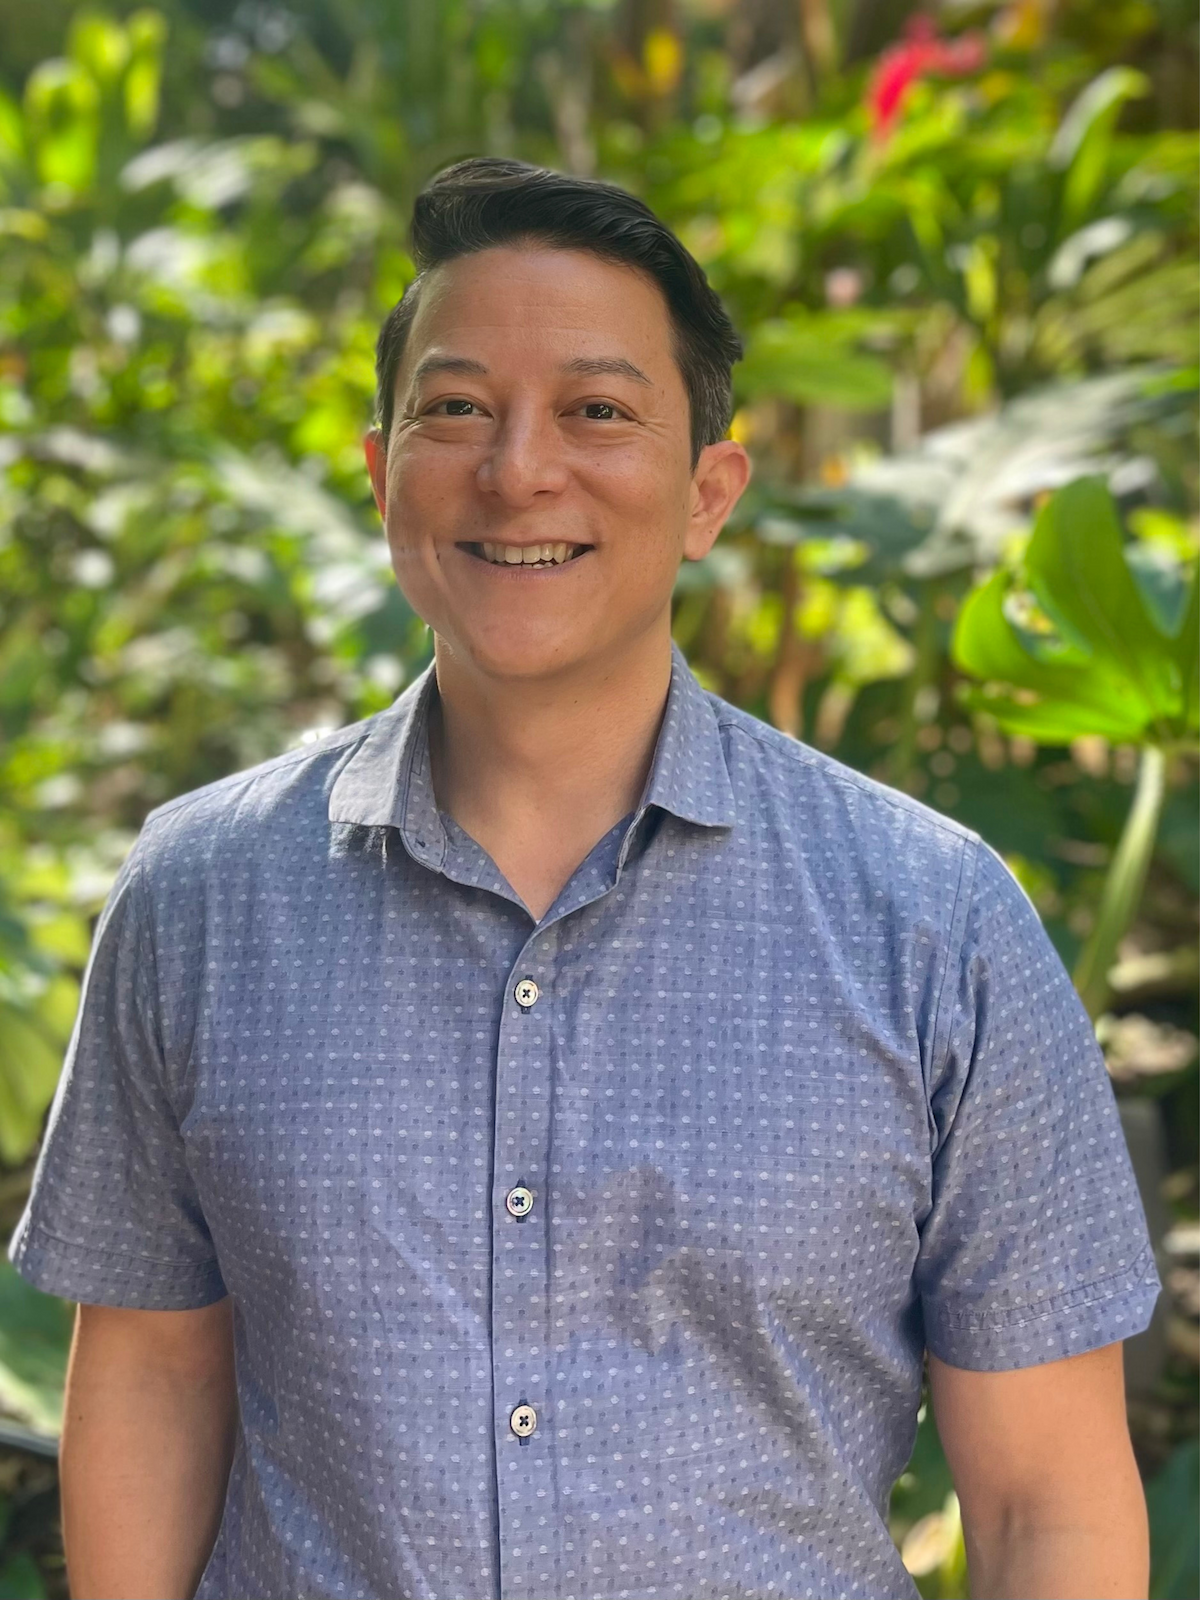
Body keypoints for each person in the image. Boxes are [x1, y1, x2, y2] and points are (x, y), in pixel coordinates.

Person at [11, 157, 1160, 1600]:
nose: (518, 471)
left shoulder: (936, 925)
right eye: (456, 409)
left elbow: (1048, 1494)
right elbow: (157, 1377)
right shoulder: (199, 898)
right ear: (381, 476)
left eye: (600, 412)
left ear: (708, 493)